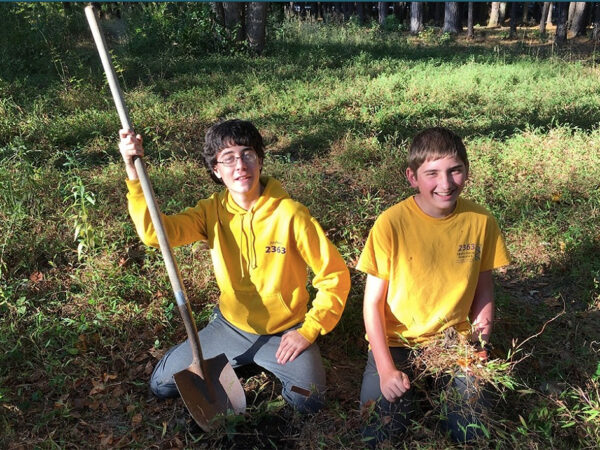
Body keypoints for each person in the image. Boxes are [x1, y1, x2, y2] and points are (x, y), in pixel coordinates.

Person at [119, 119, 350, 413]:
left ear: (260, 161)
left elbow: (335, 276)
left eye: (247, 154)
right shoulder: (210, 211)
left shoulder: (291, 215)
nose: (240, 165)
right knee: (162, 384)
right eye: (227, 158)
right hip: (231, 326)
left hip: (284, 332)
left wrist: (308, 330)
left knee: (309, 399)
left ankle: (252, 364)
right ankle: (238, 361)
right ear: (216, 170)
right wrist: (132, 171)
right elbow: (156, 234)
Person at [357, 127, 511, 443]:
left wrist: (479, 345)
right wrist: (386, 370)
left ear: (466, 172)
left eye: (455, 171)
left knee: (473, 432)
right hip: (397, 342)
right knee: (379, 434)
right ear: (412, 177)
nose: (445, 183)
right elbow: (372, 303)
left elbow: (484, 290)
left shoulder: (481, 221)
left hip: (453, 342)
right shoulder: (391, 223)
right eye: (432, 174)